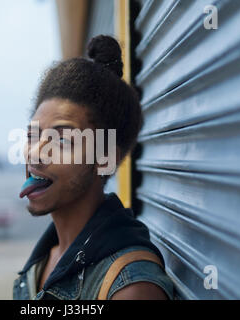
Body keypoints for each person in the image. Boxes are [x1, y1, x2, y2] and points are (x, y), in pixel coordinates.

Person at [13, 35, 174, 300]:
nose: (34, 153)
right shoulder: (45, 257)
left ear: (106, 156)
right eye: (32, 136)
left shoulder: (130, 288)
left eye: (62, 139)